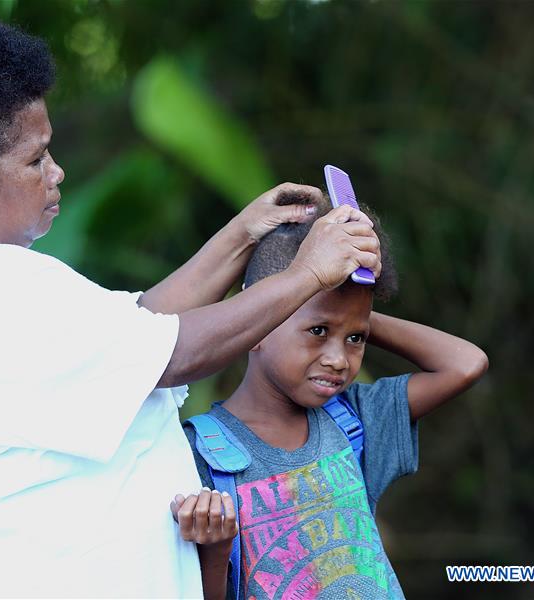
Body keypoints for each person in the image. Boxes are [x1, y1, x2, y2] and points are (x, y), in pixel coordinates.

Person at [0, 18, 382, 598]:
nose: (56, 173)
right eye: (35, 160)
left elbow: (139, 328)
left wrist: (243, 235)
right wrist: (307, 275)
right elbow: (173, 353)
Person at [177, 198, 489, 599]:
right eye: (319, 332)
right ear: (257, 322)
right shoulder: (199, 454)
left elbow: (466, 364)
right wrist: (215, 552)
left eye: (355, 338)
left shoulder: (353, 421)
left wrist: (349, 307)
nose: (339, 360)